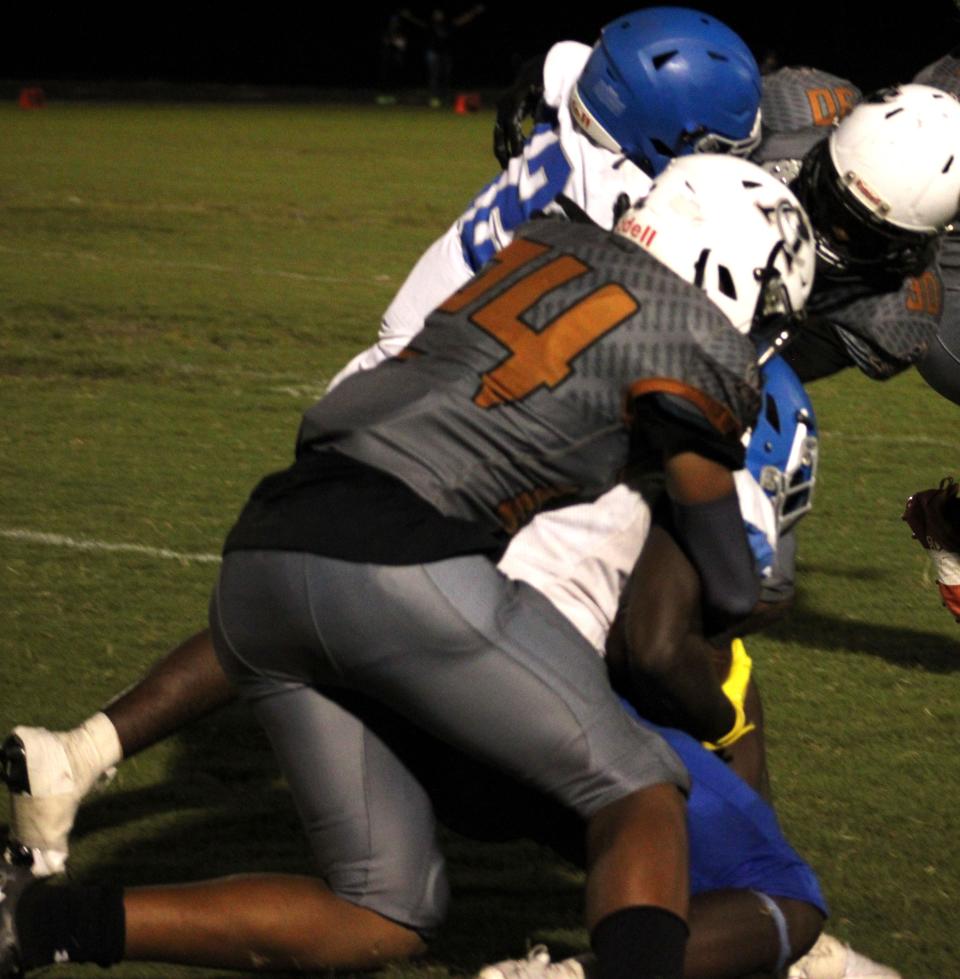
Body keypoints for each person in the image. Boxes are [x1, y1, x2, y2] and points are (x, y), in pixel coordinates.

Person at [3, 4, 776, 878]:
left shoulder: (588, 92)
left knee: (300, 601)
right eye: (723, 149)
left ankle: (80, 752)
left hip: (398, 378)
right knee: (509, 615)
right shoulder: (628, 209)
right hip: (467, 412)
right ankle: (690, 858)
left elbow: (559, 61)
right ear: (671, 141)